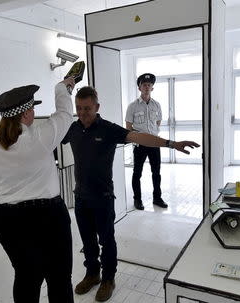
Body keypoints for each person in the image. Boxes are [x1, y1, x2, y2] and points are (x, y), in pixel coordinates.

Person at [62, 86, 199, 302]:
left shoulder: (107, 129)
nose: (82, 113)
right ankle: (92, 274)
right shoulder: (72, 128)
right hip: (81, 197)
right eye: (78, 108)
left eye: (87, 108)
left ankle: (108, 279)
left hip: (103, 198)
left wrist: (171, 144)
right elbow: (49, 141)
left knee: (106, 241)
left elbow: (141, 137)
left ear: (97, 107)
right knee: (87, 241)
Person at [0, 77, 76, 303]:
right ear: (25, 114)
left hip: (6, 220)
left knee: (26, 276)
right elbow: (65, 114)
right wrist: (62, 88)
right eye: (32, 109)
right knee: (59, 277)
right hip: (47, 217)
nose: (34, 113)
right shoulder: (40, 137)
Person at [125, 73, 166, 210]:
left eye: (149, 85)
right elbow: (128, 127)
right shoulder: (133, 106)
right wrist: (138, 138)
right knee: (137, 173)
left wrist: (153, 135)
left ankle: (157, 198)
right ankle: (137, 200)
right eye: (144, 85)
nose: (147, 87)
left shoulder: (157, 105)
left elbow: (158, 122)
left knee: (156, 172)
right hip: (140, 144)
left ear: (152, 88)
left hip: (154, 143)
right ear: (139, 87)